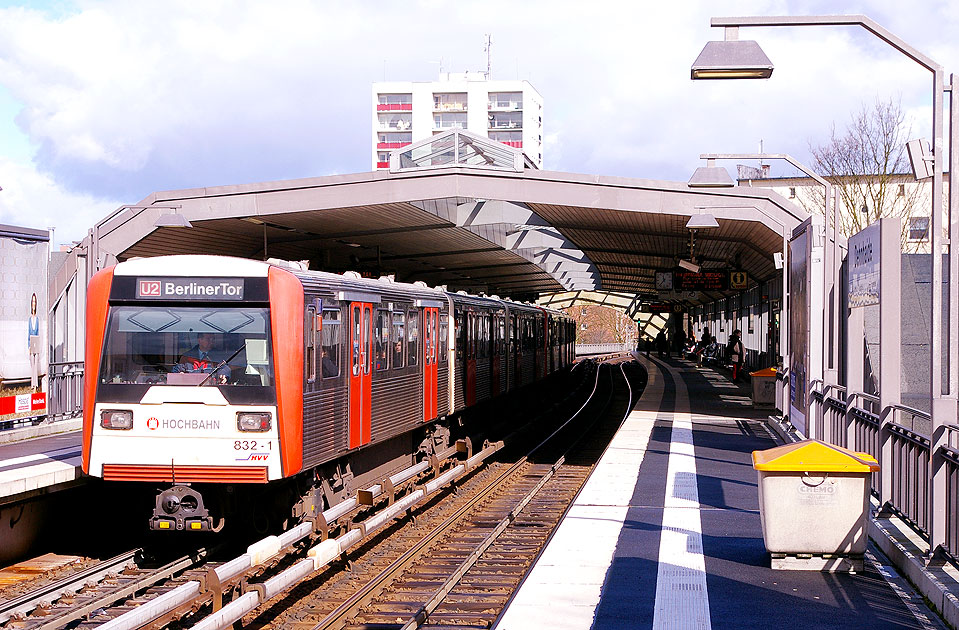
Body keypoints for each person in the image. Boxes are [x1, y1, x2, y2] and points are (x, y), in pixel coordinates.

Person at [28, 293, 40, 391]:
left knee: (36, 365)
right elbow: (29, 334)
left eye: (35, 302)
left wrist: (38, 345)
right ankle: (33, 384)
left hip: (36, 344)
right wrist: (29, 346)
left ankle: (36, 386)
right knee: (32, 364)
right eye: (33, 302)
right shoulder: (29, 319)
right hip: (31, 344)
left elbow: (38, 333)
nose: (34, 304)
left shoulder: (37, 319)